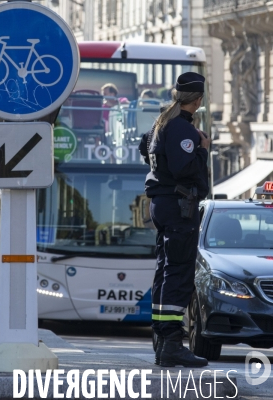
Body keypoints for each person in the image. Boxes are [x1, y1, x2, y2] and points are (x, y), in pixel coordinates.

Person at [138, 72, 210, 368]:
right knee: (178, 274)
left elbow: (145, 149)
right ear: (198, 100)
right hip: (179, 205)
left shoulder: (161, 123)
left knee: (165, 271)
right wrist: (203, 151)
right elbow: (184, 168)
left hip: (163, 204)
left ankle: (162, 342)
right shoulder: (180, 128)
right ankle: (171, 344)